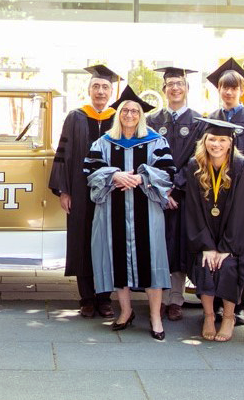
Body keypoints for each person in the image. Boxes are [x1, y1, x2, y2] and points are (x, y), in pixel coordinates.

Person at [85, 87, 176, 340]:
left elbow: (168, 172)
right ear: (118, 114)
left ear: (141, 115)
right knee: (117, 261)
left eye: (134, 110)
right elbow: (90, 172)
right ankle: (125, 312)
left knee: (152, 261)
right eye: (124, 110)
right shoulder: (103, 143)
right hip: (111, 211)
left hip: (146, 211)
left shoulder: (156, 141)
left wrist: (140, 176)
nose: (129, 114)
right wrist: (113, 175)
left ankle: (156, 317)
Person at [182, 117, 244, 342]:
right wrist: (207, 246)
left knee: (227, 266)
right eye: (212, 139)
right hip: (205, 235)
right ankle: (208, 316)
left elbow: (243, 209)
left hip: (233, 237)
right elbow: (193, 210)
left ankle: (228, 317)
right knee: (206, 264)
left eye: (222, 140)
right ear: (204, 140)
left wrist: (226, 246)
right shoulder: (194, 166)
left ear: (231, 143)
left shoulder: (241, 166)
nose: (216, 144)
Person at [49, 65, 119, 319]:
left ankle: (105, 298)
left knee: (109, 243)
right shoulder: (76, 116)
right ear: (89, 90)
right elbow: (64, 154)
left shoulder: (118, 117)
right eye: (96, 87)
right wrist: (64, 191)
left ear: (112, 91)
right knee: (82, 242)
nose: (100, 92)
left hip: (112, 192)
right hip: (80, 191)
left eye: (105, 87)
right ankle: (86, 298)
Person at [205, 58, 244, 324]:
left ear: (242, 90)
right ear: (218, 90)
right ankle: (218, 302)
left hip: (243, 192)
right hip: (216, 194)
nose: (228, 93)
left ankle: (240, 303)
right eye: (224, 88)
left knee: (239, 246)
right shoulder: (211, 119)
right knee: (219, 244)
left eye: (234, 88)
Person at [145, 67, 207, 321]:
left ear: (187, 88)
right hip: (155, 193)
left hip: (183, 194)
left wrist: (176, 185)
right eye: (170, 84)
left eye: (179, 83)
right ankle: (157, 299)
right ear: (164, 89)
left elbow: (199, 158)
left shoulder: (199, 121)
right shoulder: (151, 120)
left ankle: (176, 300)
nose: (175, 88)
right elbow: (145, 156)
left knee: (178, 247)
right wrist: (160, 188)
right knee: (157, 245)